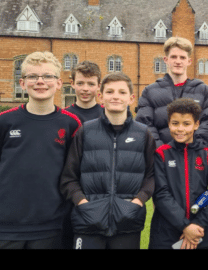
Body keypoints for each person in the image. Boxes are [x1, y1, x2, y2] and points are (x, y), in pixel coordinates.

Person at [0, 51, 81, 249]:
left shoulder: (71, 124)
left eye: (47, 76)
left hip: (50, 225)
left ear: (59, 83)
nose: (40, 81)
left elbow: (72, 173)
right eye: (32, 76)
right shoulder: (1, 122)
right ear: (22, 83)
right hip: (5, 225)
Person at [60, 72, 156, 249]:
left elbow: (151, 176)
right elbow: (69, 178)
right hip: (88, 222)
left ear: (131, 98)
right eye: (110, 92)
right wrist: (84, 204)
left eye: (121, 92)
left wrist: (137, 203)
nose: (116, 97)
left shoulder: (143, 134)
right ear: (101, 96)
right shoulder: (85, 132)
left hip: (128, 222)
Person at [149, 98, 208, 249]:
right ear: (169, 124)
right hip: (165, 232)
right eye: (175, 123)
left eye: (186, 124)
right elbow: (160, 193)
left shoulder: (207, 154)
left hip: (198, 232)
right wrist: (185, 226)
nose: (180, 129)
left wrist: (197, 224)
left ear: (196, 124)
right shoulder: (161, 154)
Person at [136, 36, 208, 149]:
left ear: (189, 61)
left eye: (182, 57)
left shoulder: (205, 92)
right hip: (160, 160)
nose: (178, 61)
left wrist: (193, 151)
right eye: (174, 57)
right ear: (166, 60)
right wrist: (162, 152)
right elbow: (144, 125)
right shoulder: (150, 92)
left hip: (194, 158)